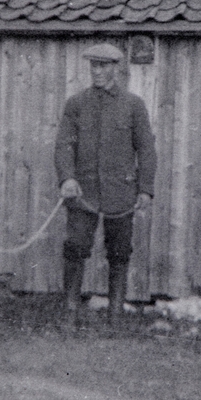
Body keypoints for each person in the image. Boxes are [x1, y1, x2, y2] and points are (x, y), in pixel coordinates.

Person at [54, 43, 157, 324]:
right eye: (93, 66)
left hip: (121, 193)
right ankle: (70, 311)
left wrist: (145, 189)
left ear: (115, 68)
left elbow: (146, 149)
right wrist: (67, 178)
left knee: (120, 252)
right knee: (75, 247)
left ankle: (115, 315)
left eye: (103, 66)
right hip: (83, 192)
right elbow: (64, 145)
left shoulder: (133, 105)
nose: (97, 71)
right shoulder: (76, 104)